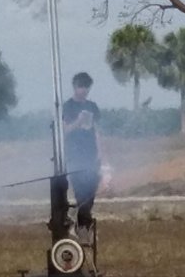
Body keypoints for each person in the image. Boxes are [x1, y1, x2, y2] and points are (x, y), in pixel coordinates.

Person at [62, 71, 107, 241]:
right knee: (80, 193)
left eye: (87, 87)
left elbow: (97, 132)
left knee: (90, 193)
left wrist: (101, 153)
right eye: (81, 87)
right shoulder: (67, 107)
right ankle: (83, 227)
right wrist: (78, 122)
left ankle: (84, 226)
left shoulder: (93, 107)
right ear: (75, 87)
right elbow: (64, 131)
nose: (84, 90)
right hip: (74, 156)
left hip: (91, 156)